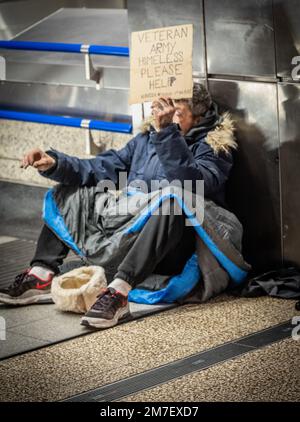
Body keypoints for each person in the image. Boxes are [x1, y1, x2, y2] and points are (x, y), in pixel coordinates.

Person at [0, 83, 237, 328]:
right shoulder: (146, 139)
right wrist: (55, 164)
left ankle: (119, 293)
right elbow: (101, 168)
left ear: (198, 118)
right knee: (68, 193)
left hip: (171, 244)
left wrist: (167, 133)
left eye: (175, 111)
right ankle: (40, 274)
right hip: (130, 228)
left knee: (173, 202)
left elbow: (193, 185)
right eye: (163, 109)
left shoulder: (214, 146)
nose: (165, 116)